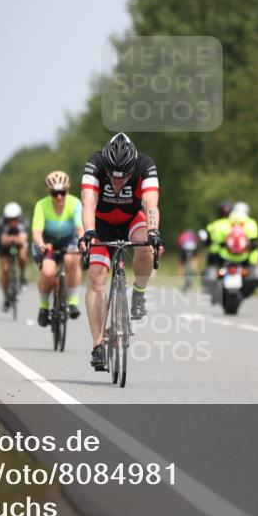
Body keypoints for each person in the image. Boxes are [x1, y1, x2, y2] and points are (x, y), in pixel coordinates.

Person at [78, 132, 163, 371]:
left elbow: (150, 205)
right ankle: (97, 344)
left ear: (132, 167)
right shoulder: (94, 164)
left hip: (131, 220)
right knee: (96, 277)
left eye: (123, 176)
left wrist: (154, 231)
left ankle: (138, 292)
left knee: (146, 244)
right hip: (101, 223)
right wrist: (89, 232)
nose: (117, 182)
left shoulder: (145, 165)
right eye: (112, 176)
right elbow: (88, 203)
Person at [31, 171, 85, 327]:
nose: (59, 196)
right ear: (49, 192)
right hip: (48, 241)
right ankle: (43, 307)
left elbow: (80, 228)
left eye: (62, 192)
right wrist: (40, 244)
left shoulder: (75, 203)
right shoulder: (41, 205)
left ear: (67, 191)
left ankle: (73, 301)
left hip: (69, 239)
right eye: (55, 193)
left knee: (72, 260)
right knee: (47, 272)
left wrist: (82, 241)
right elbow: (36, 232)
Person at [220, 203, 258, 294]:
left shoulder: (225, 223)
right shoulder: (251, 223)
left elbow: (217, 239)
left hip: (226, 256)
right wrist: (253, 261)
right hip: (244, 257)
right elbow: (253, 242)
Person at [0, 202, 28, 312]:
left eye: (14, 219)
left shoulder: (23, 222)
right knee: (5, 270)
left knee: (23, 256)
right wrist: (13, 239)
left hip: (19, 245)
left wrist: (13, 239)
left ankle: (23, 275)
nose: (12, 222)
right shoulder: (2, 223)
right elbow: (3, 240)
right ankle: (6, 296)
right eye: (9, 219)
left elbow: (23, 238)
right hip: (5, 248)